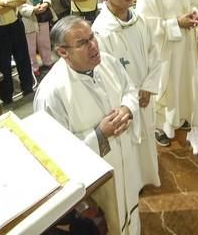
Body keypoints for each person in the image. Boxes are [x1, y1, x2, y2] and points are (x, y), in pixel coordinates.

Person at [34, 16, 141, 235]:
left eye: (92, 37)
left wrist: (127, 109)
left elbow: (129, 89)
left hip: (125, 160)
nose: (93, 45)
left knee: (130, 213)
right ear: (63, 52)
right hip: (95, 183)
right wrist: (100, 134)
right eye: (82, 43)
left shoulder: (108, 62)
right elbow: (54, 155)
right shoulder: (51, 93)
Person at [93, 0, 161, 187]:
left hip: (145, 94)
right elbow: (104, 73)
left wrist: (149, 87)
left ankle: (148, 177)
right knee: (129, 144)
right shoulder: (101, 31)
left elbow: (154, 52)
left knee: (147, 137)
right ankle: (133, 186)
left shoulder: (139, 20)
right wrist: (129, 99)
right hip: (123, 101)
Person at [136, 0, 198, 145]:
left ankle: (180, 116)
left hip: (185, 45)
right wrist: (176, 24)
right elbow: (145, 25)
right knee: (166, 85)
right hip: (164, 52)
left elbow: (195, 1)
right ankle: (160, 127)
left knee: (183, 82)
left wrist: (193, 15)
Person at [5, 0, 54, 77]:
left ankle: (48, 61)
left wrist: (46, 3)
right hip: (27, 18)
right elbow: (17, 4)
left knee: (45, 42)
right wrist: (32, 10)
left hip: (43, 13)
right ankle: (34, 67)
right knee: (30, 46)